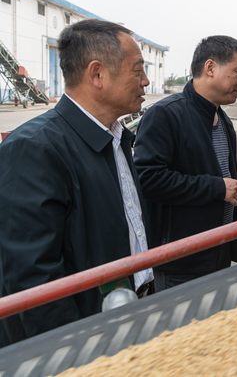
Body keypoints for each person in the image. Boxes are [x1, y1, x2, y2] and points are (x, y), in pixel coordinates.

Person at [0, 19, 154, 347]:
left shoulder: (116, 140)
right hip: (84, 342)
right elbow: (33, 278)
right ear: (97, 74)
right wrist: (74, 350)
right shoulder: (34, 149)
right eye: (137, 70)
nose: (146, 80)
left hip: (124, 316)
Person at [133, 35, 237, 291]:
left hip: (218, 253)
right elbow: (148, 180)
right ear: (210, 68)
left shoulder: (223, 119)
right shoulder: (165, 115)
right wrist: (216, 188)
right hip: (181, 263)